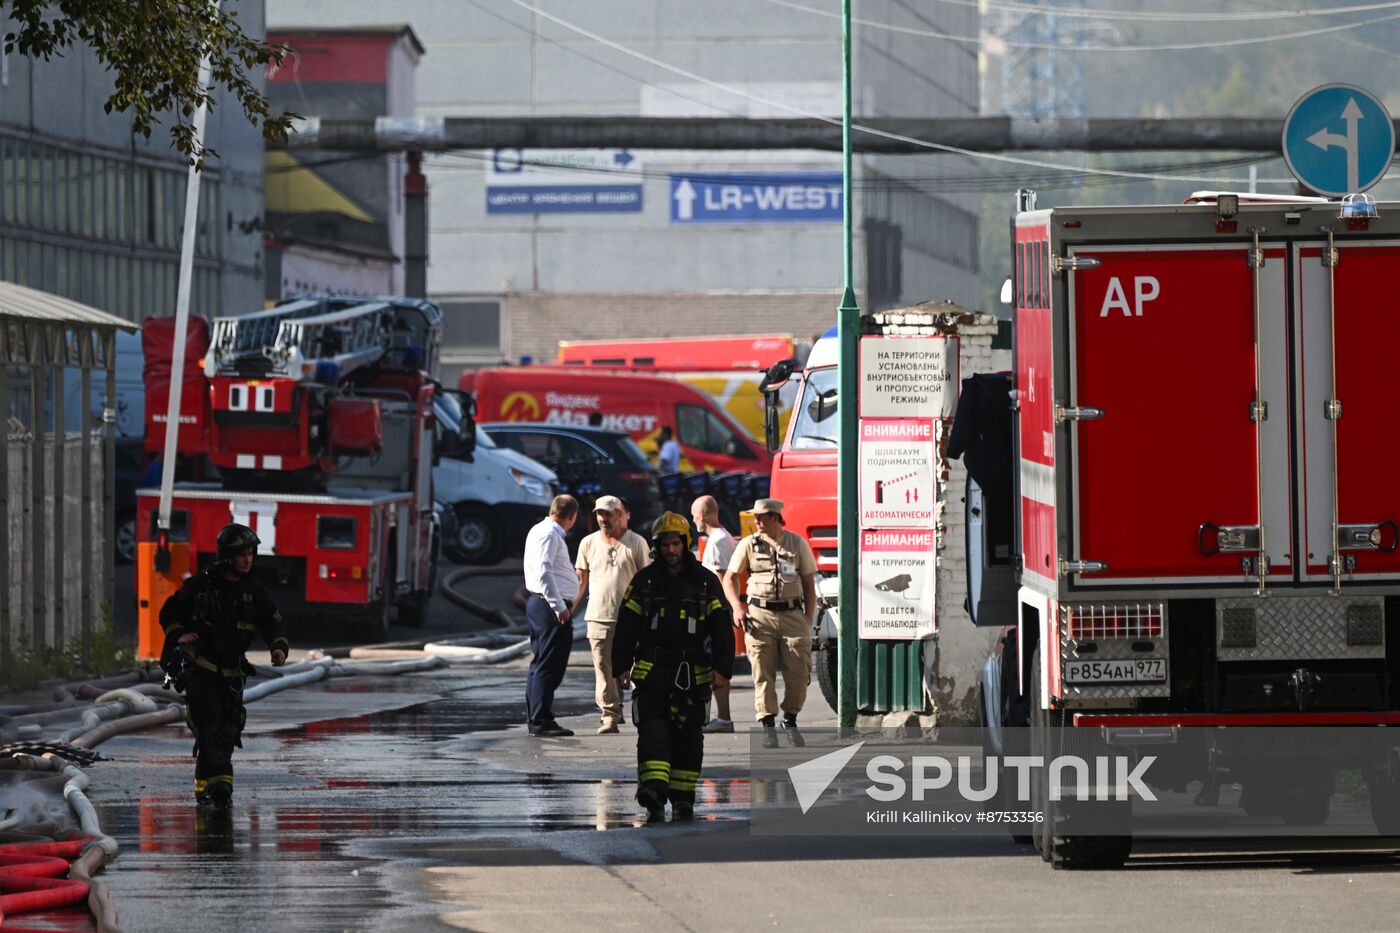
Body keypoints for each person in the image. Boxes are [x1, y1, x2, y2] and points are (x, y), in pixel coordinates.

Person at [159, 523, 289, 809]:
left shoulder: (253, 590)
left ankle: (205, 786)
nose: (247, 559)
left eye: (250, 553)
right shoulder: (201, 586)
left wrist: (278, 646)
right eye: (241, 554)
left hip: (232, 677)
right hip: (202, 674)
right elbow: (168, 612)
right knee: (211, 729)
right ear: (227, 556)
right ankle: (222, 788)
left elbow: (272, 621)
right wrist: (179, 635)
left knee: (225, 734)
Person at [613, 512, 733, 822]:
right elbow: (627, 624)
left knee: (689, 738)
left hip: (694, 673)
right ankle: (653, 793)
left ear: (686, 543)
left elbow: (721, 627)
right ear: (657, 546)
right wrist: (621, 665)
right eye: (665, 544)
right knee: (653, 732)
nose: (670, 550)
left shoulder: (706, 582)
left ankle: (683, 799)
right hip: (653, 672)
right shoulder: (644, 581)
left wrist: (722, 668)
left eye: (675, 543)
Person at [723, 499, 817, 749]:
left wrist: (807, 619)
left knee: (799, 672)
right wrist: (737, 607)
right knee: (762, 673)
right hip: (759, 615)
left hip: (792, 615)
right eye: (756, 518)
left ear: (776, 517)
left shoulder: (797, 544)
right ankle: (767, 725)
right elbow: (729, 578)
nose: (757, 522)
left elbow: (809, 584)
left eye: (762, 518)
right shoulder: (748, 544)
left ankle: (790, 717)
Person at [574, 494, 651, 734]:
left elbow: (647, 582)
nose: (603, 518)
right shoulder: (587, 543)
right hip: (599, 616)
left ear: (620, 514)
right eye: (599, 514)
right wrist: (568, 609)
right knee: (603, 668)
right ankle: (610, 715)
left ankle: (645, 712)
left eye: (608, 513)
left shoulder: (636, 543)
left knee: (640, 667)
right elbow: (580, 580)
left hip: (632, 618)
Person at [523, 494, 581, 737]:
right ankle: (540, 720)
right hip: (549, 607)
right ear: (572, 516)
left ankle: (538, 717)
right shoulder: (549, 535)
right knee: (549, 666)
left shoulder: (541, 530)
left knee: (541, 664)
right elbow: (544, 573)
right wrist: (559, 607)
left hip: (541, 604)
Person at [692, 495, 739, 734]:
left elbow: (722, 579)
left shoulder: (718, 540)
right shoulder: (718, 538)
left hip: (714, 614)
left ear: (703, 515)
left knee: (715, 666)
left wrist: (718, 612)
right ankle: (716, 715)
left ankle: (723, 717)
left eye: (694, 515)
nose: (693, 521)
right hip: (715, 613)